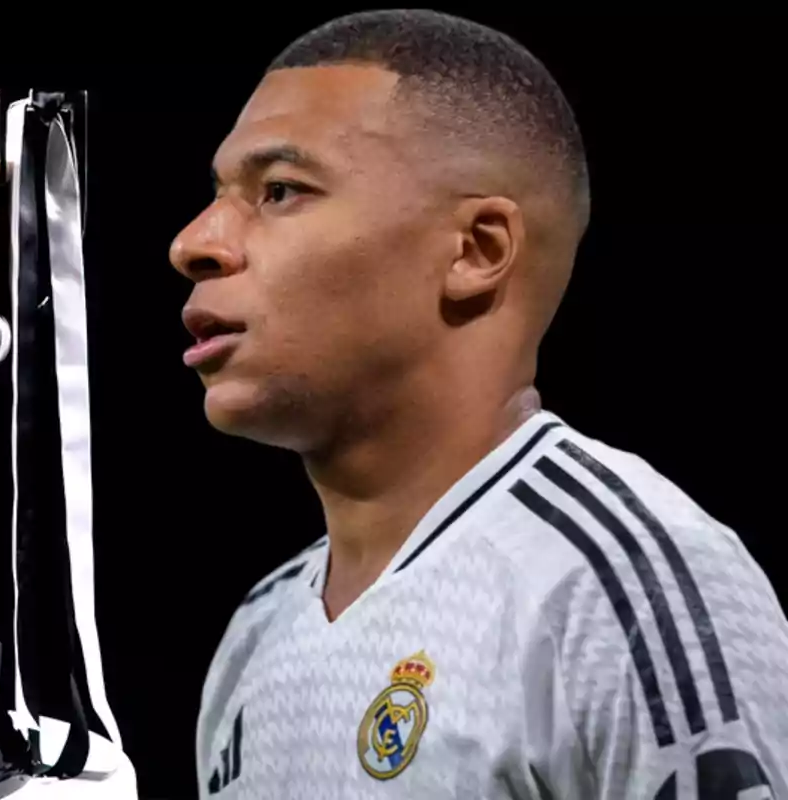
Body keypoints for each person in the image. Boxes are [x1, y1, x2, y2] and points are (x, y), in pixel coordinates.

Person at [168, 9, 787, 799]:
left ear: (476, 251)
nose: (194, 241)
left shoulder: (615, 585)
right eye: (218, 193)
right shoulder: (255, 636)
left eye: (280, 190)